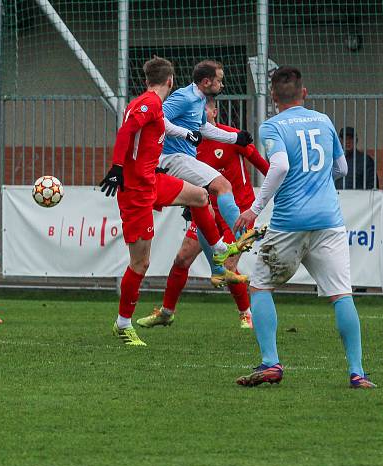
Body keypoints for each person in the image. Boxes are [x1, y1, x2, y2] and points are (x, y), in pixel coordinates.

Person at [233, 66, 375, 389]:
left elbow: (280, 165)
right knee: (341, 295)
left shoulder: (272, 126)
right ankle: (357, 372)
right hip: (328, 219)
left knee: (260, 286)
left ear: (273, 97)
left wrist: (254, 209)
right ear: (304, 93)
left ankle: (270, 362)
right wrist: (320, 183)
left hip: (290, 220)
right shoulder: (323, 121)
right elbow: (342, 167)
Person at [98, 56, 242, 347]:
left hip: (153, 179)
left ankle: (218, 250)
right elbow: (127, 131)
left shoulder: (152, 105)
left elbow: (160, 125)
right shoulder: (149, 103)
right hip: (136, 191)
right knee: (141, 263)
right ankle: (123, 324)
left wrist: (185, 132)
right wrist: (117, 169)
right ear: (171, 81)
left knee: (201, 196)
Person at [136, 96, 269, 330]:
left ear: (214, 112)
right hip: (206, 211)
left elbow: (263, 166)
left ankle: (246, 314)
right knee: (182, 259)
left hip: (237, 213)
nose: (196, 114)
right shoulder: (188, 146)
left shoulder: (232, 136)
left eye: (203, 109)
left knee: (227, 266)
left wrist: (279, 191)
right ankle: (166, 312)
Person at [160, 59, 257, 285]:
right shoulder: (184, 97)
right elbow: (157, 118)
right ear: (206, 82)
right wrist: (185, 134)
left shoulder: (200, 100)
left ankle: (217, 268)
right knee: (222, 185)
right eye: (219, 80)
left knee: (203, 206)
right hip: (170, 159)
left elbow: (204, 129)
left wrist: (236, 138)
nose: (222, 85)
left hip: (183, 159)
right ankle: (242, 236)